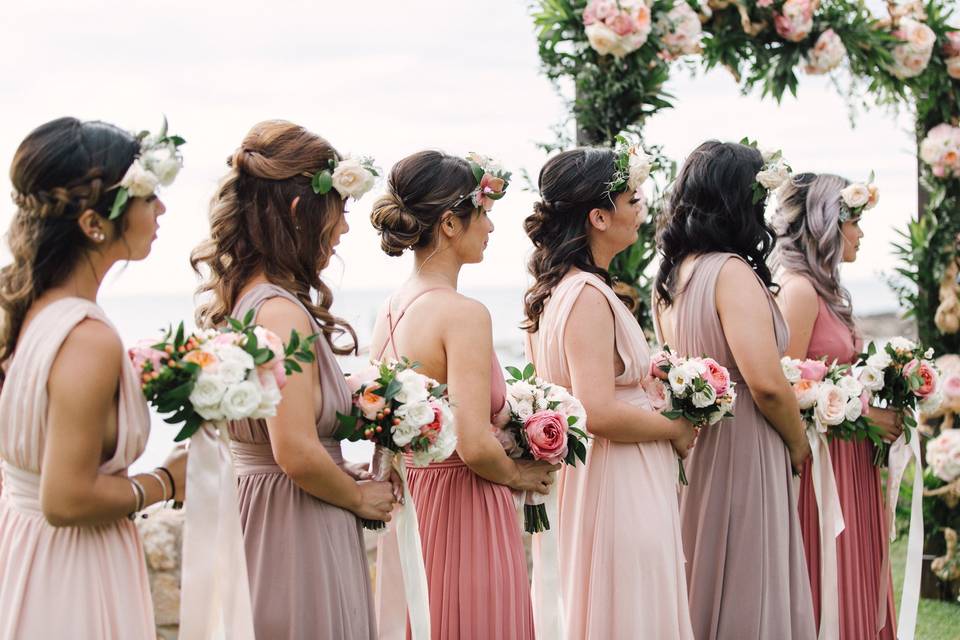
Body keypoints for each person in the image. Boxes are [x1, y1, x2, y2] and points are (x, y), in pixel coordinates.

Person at [191, 120, 394, 640]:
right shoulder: (281, 313)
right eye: (340, 212)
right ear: (303, 212)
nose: (345, 229)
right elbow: (296, 449)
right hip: (296, 518)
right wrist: (358, 497)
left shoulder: (247, 300)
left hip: (263, 508)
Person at [0, 117, 187, 639]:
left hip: (26, 551)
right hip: (72, 572)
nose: (162, 210)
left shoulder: (28, 310)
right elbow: (66, 499)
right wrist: (168, 480)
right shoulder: (87, 337)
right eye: (149, 197)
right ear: (92, 224)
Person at [368, 150, 556, 639]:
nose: (491, 228)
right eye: (486, 213)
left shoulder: (389, 312)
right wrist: (522, 473)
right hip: (467, 506)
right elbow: (473, 442)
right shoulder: (463, 314)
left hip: (420, 497)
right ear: (450, 223)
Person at [523, 146, 696, 639]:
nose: (641, 207)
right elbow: (595, 410)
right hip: (617, 479)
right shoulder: (587, 296)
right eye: (631, 197)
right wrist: (676, 427)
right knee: (629, 607)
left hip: (604, 474)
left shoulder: (558, 290)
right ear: (599, 216)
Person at [653, 140, 815, 639]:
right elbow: (765, 384)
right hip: (746, 442)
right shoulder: (731, 273)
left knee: (705, 567)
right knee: (750, 575)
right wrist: (797, 442)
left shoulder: (671, 277)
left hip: (699, 444)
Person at [772, 172, 898, 638]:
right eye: (855, 222)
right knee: (831, 578)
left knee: (858, 572)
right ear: (828, 223)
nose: (861, 234)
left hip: (849, 461)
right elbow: (788, 387)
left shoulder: (822, 288)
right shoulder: (799, 291)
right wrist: (866, 416)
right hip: (823, 467)